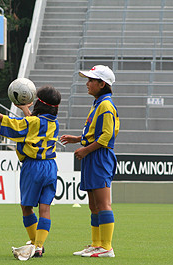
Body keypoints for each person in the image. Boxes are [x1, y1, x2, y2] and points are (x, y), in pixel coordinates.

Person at [0, 85, 61, 260]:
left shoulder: (32, 122)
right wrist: (25, 109)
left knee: (26, 207)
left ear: (39, 104)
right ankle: (39, 246)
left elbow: (11, 123)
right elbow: (35, 124)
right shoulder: (54, 123)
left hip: (33, 167)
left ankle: (34, 243)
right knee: (45, 208)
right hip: (50, 166)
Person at [60, 65, 119, 258]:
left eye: (91, 80)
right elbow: (95, 133)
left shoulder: (106, 105)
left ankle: (107, 247)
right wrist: (78, 139)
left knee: (103, 204)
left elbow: (106, 137)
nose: (87, 83)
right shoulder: (98, 103)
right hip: (93, 156)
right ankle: (96, 244)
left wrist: (85, 149)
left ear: (102, 84)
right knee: (93, 205)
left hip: (99, 157)